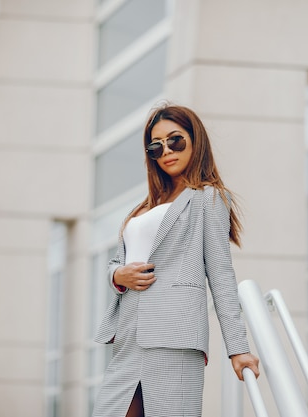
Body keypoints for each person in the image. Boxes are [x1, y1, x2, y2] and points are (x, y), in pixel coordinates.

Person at [93, 103, 260, 417]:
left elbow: (222, 276)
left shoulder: (208, 197)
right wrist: (118, 276)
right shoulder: (144, 207)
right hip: (129, 338)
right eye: (156, 146)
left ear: (195, 141)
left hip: (175, 340)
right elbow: (116, 263)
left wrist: (238, 348)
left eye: (176, 140)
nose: (167, 150)